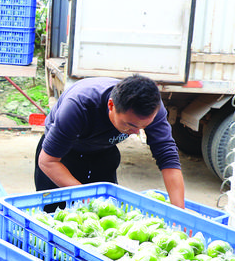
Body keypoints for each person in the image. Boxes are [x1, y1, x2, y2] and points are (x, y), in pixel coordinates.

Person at [34, 75, 185, 209]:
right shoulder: (79, 105)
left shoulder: (152, 108)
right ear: (111, 105)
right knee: (56, 213)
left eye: (144, 126)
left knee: (106, 213)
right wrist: (87, 197)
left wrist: (180, 214)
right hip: (63, 156)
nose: (136, 132)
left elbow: (168, 158)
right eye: (130, 125)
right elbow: (48, 161)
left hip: (103, 152)